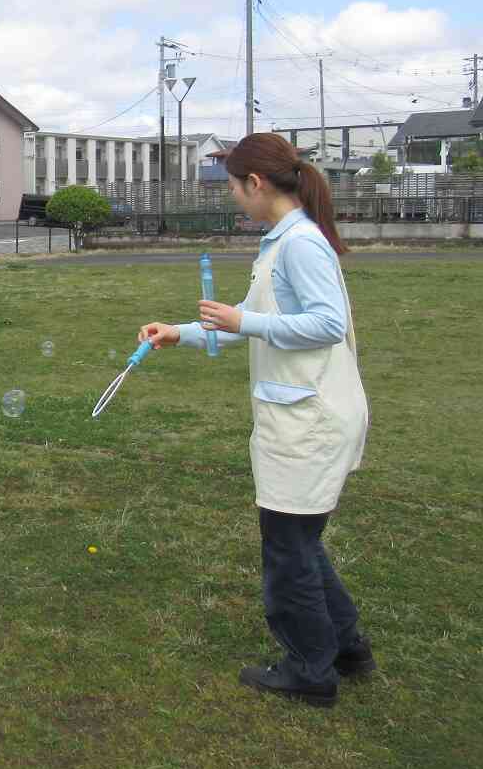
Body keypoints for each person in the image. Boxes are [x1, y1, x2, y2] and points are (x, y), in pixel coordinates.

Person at [137, 133, 373, 707]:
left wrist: (244, 322)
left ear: (257, 184)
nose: (235, 199)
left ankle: (311, 672)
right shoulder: (282, 240)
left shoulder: (300, 245)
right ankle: (347, 648)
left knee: (288, 552)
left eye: (236, 189)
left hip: (309, 420)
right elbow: (254, 320)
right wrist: (181, 332)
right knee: (302, 542)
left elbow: (326, 322)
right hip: (301, 414)